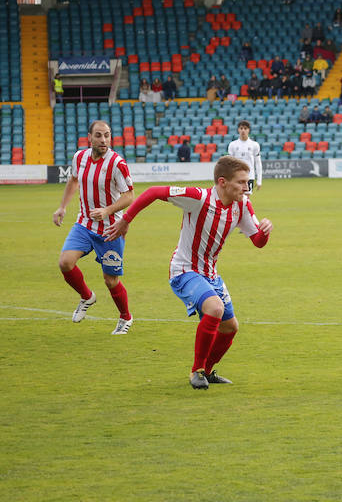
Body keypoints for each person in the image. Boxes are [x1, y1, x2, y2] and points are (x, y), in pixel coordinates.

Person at [104, 156, 273, 389]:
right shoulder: (199, 198)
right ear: (222, 182)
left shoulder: (242, 204)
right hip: (184, 270)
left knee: (230, 327)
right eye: (242, 183)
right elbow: (153, 192)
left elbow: (258, 241)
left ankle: (209, 371)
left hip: (211, 273)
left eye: (248, 182)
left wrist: (265, 231)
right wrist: (126, 220)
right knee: (215, 308)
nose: (247, 188)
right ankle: (197, 371)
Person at [52, 120, 135, 335]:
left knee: (110, 280)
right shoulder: (79, 157)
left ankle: (125, 317)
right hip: (84, 224)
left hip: (110, 229)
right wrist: (62, 207)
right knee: (65, 263)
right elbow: (73, 181)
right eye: (99, 135)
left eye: (107, 135)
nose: (104, 140)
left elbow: (129, 196)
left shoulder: (117, 163)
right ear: (90, 137)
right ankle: (87, 297)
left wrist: (107, 210)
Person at [227, 120, 263, 194]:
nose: (243, 130)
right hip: (236, 176)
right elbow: (229, 163)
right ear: (238, 129)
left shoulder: (254, 145)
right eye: (241, 128)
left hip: (249, 176)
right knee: (236, 199)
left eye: (245, 128)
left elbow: (258, 163)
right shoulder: (232, 145)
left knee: (246, 199)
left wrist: (259, 180)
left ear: (249, 130)